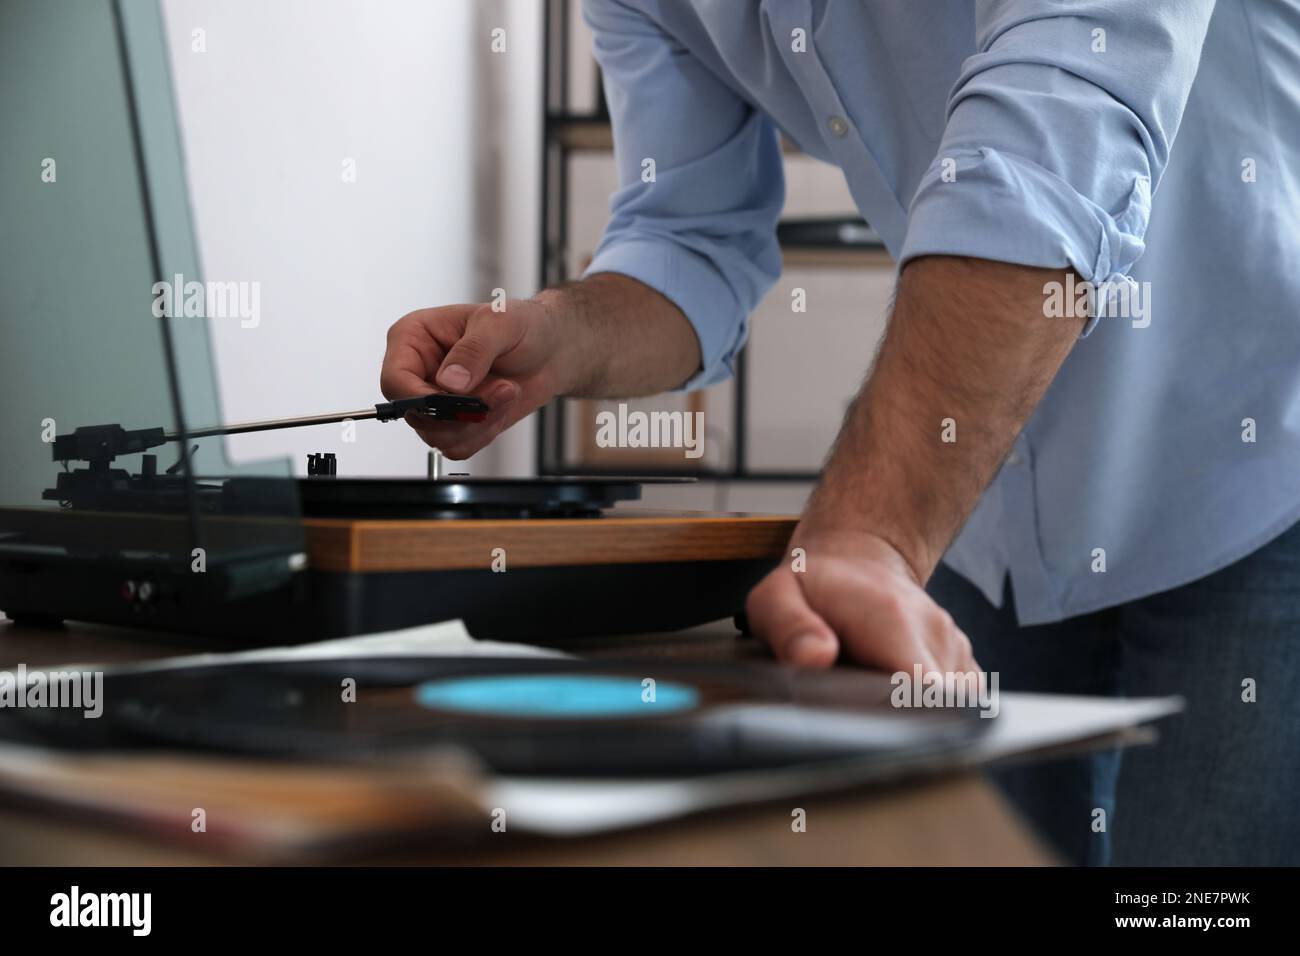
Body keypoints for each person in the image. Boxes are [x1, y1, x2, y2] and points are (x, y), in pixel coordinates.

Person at [381, 1, 1300, 866]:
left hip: (1254, 475)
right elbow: (689, 236)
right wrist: (562, 334)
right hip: (982, 521)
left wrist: (874, 533)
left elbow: (1057, 123)